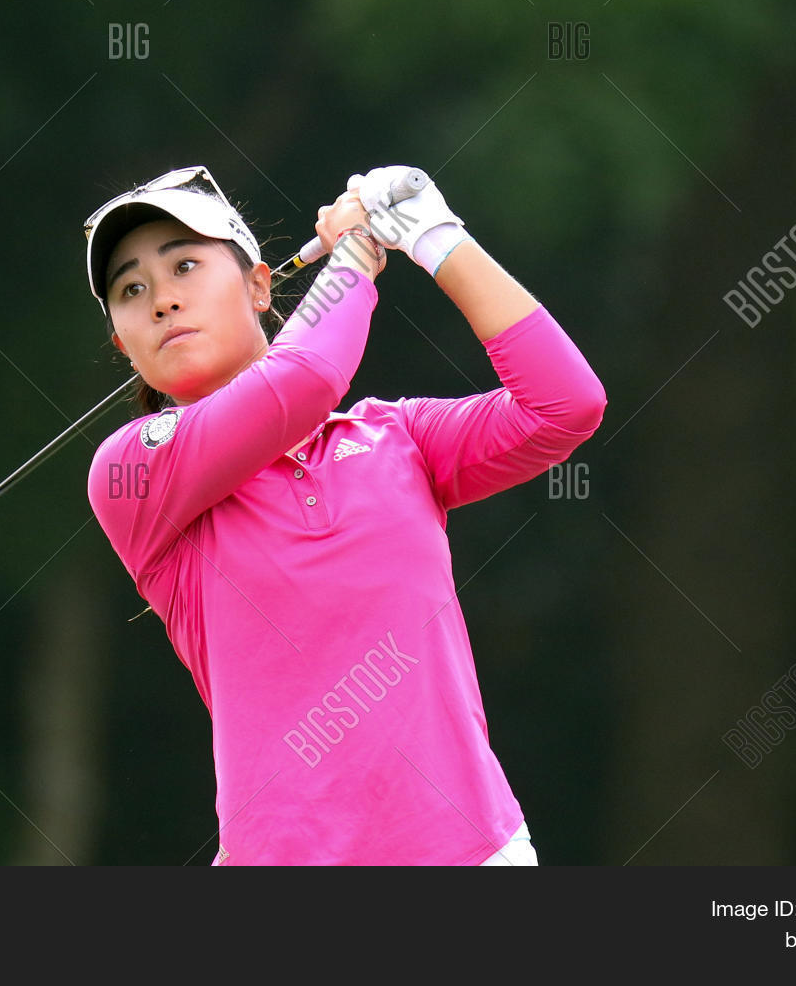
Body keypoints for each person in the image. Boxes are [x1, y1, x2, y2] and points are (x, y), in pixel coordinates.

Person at [83, 163, 605, 865]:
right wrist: (358, 255)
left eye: (184, 267)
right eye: (132, 290)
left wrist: (438, 240)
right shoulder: (133, 473)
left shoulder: (398, 439)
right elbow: (303, 380)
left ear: (262, 285)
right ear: (122, 343)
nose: (162, 302)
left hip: (475, 851)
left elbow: (565, 405)